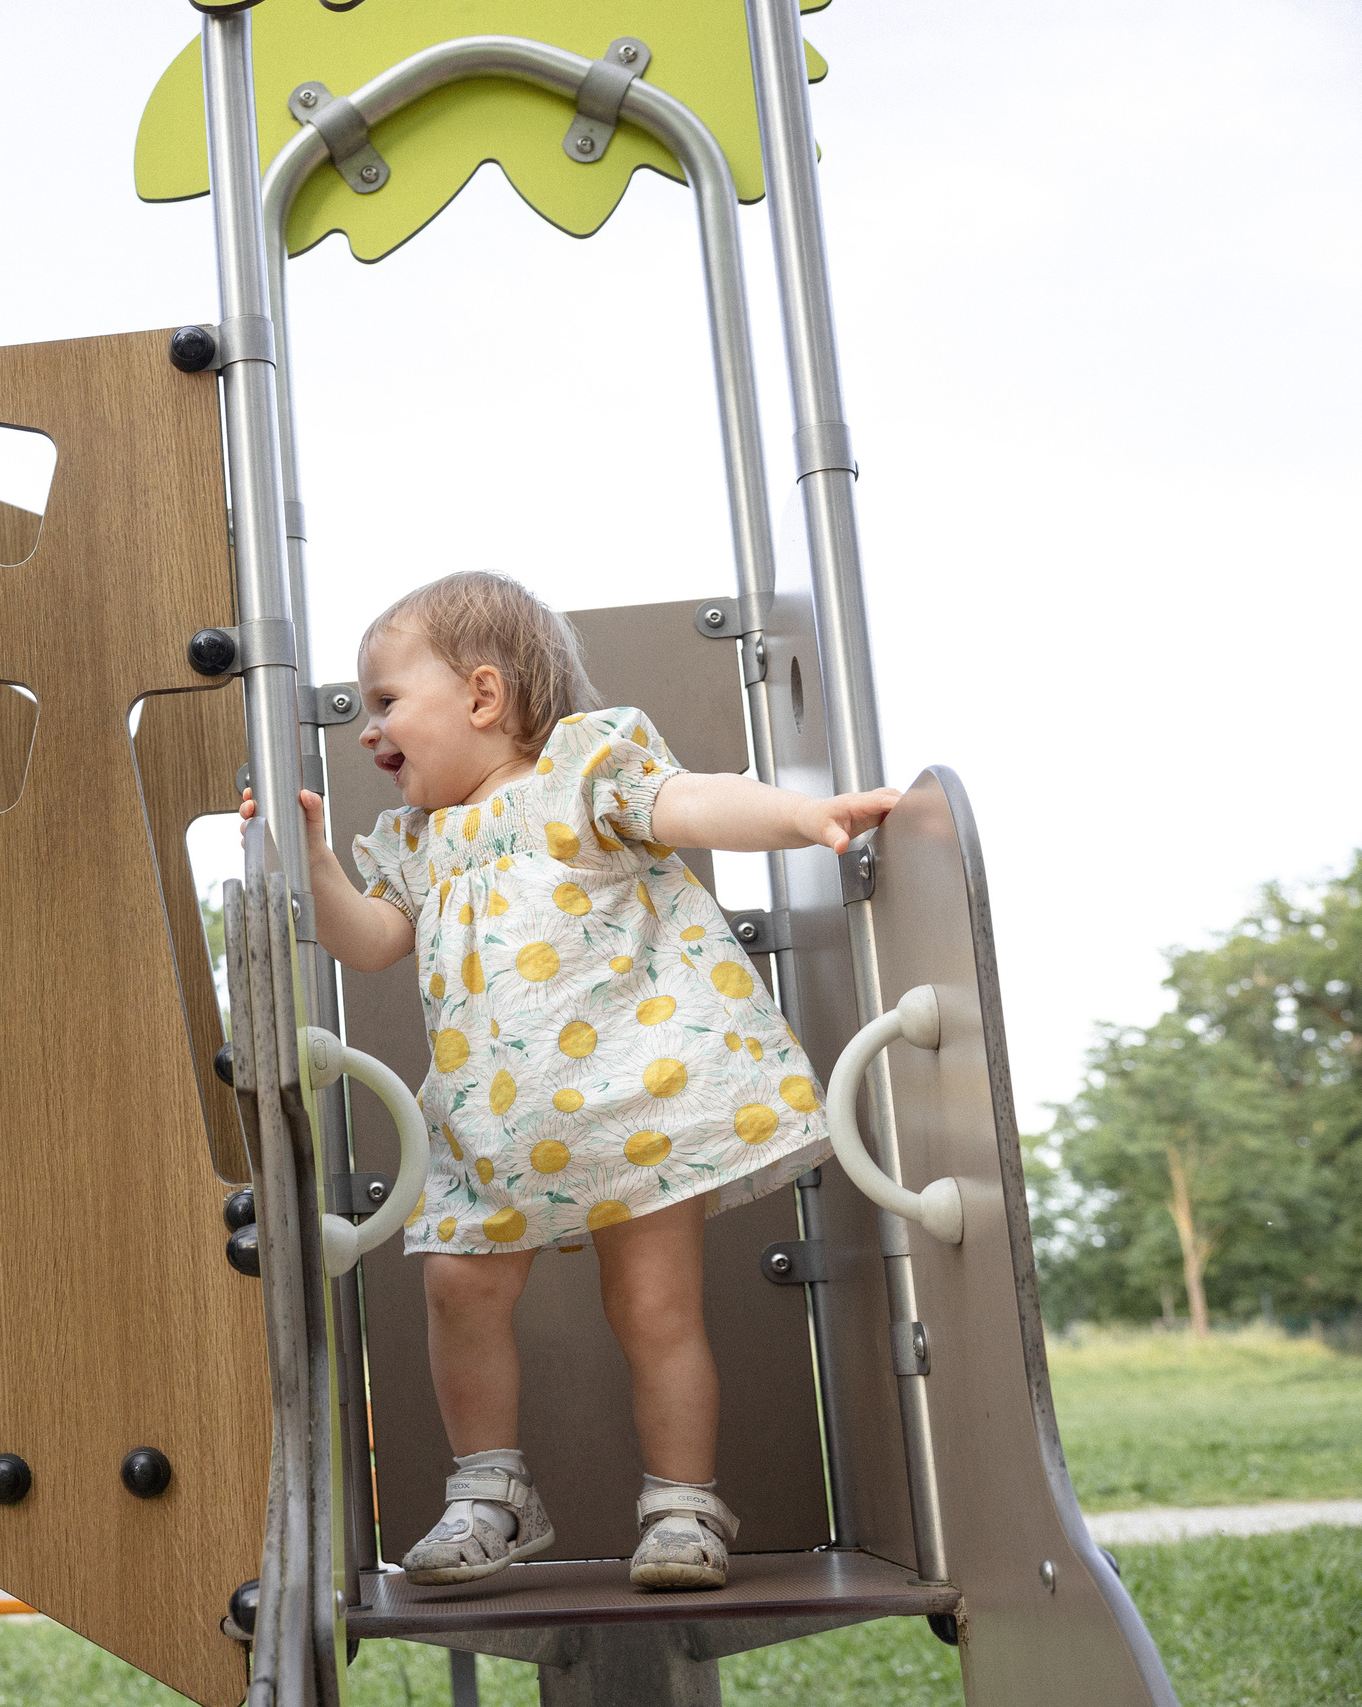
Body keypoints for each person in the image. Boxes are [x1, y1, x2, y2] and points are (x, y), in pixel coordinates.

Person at [249, 570, 898, 1591]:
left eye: (384, 701)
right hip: (488, 1132)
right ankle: (490, 1494)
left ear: (481, 696)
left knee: (655, 1309)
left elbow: (690, 803)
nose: (368, 729)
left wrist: (800, 816)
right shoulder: (417, 842)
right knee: (456, 1287)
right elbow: (370, 943)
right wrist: (318, 867)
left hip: (638, 1111)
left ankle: (684, 1511)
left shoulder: (580, 771)